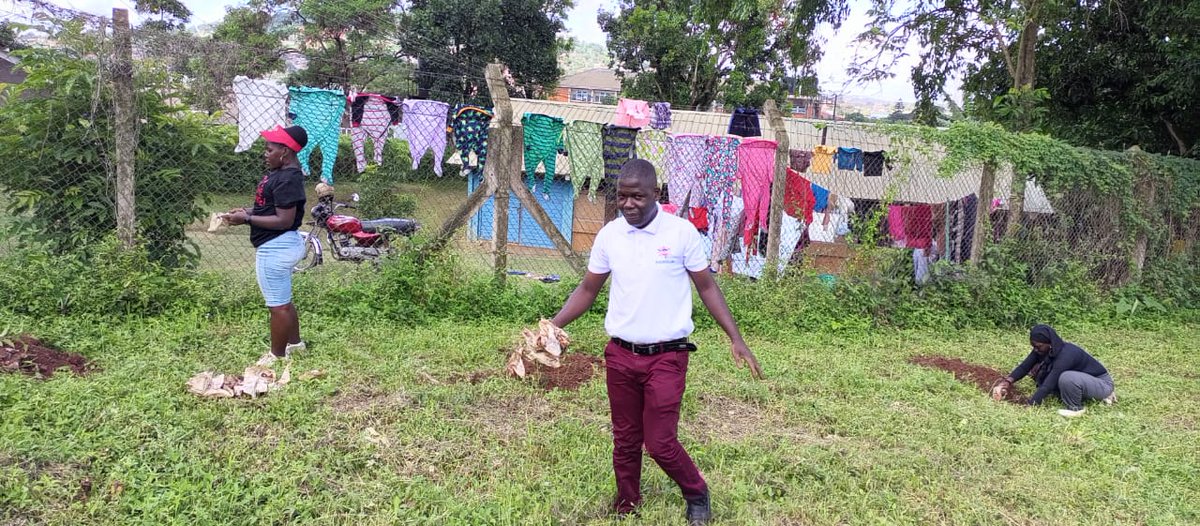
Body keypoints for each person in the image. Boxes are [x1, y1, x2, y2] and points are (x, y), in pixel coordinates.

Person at [549, 159, 764, 525]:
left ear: (656, 195)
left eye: (637, 196)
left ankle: (696, 492)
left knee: (660, 442)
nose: (629, 203)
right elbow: (587, 289)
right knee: (626, 438)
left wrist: (736, 338)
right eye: (622, 196)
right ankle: (627, 502)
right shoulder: (610, 236)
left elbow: (708, 287)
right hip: (620, 354)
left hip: (667, 356)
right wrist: (552, 325)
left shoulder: (681, 233)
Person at [222, 125, 310, 366]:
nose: (265, 153)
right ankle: (296, 345)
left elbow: (284, 220)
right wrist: (246, 212)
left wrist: (247, 219)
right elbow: (271, 209)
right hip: (280, 244)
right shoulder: (281, 174)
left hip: (276, 247)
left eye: (269, 149)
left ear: (285, 152)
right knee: (283, 299)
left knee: (278, 306)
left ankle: (276, 356)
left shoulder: (287, 179)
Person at [995, 325, 1116, 417]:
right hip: (1082, 382)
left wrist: (1030, 405)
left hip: (1101, 383)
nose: (1035, 350)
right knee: (1037, 370)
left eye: (1038, 346)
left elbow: (1049, 384)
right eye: (1033, 347)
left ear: (1050, 343)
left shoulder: (1067, 354)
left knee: (1066, 377)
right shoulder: (1044, 349)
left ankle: (1076, 409)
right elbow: (1024, 366)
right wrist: (1007, 382)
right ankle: (1079, 394)